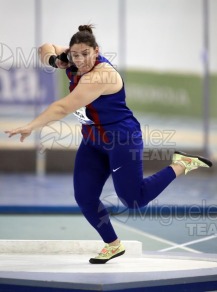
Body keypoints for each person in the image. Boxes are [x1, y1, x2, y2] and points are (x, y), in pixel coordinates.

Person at [5, 25, 212, 264]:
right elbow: (44, 48)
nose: (80, 60)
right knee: (84, 196)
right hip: (93, 141)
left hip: (122, 140)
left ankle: (181, 164)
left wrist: (32, 126)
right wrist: (54, 59)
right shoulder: (71, 59)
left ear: (97, 51)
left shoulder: (101, 75)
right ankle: (113, 245)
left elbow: (62, 107)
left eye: (86, 54)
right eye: (75, 55)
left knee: (134, 199)